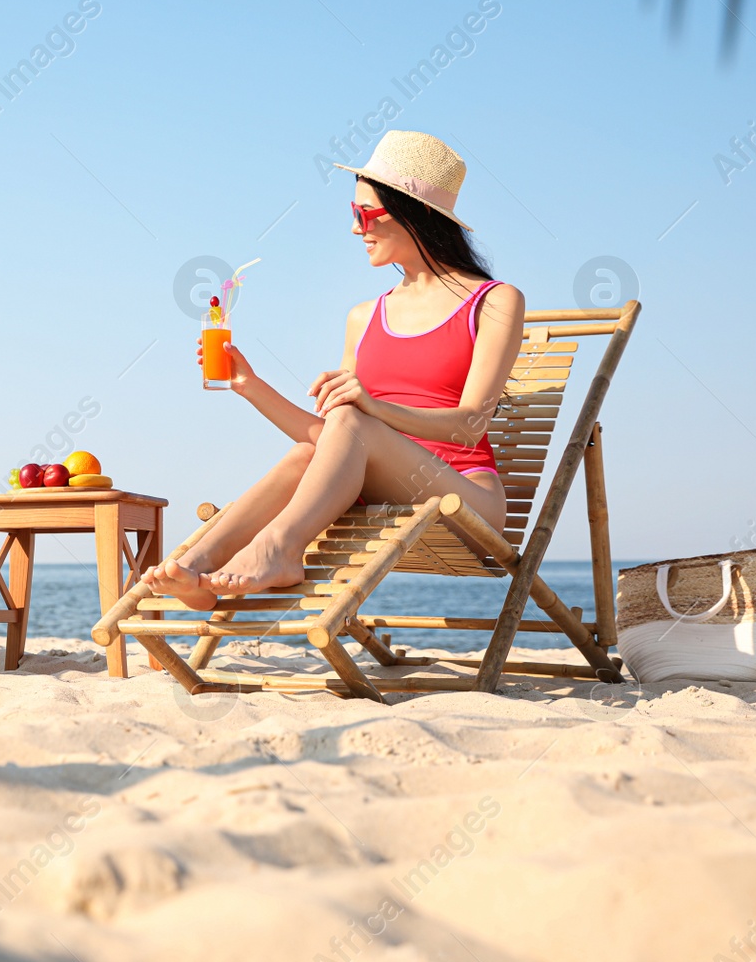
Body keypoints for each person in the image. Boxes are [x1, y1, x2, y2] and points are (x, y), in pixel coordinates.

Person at [142, 130, 524, 610]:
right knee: (306, 453)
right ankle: (196, 566)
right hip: (382, 491)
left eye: (366, 214)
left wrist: (373, 407)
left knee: (349, 421)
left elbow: (470, 426)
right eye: (353, 214)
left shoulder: (493, 302)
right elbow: (332, 439)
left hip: (465, 501)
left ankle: (280, 547)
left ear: (419, 214)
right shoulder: (363, 317)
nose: (355, 229)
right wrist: (249, 385)